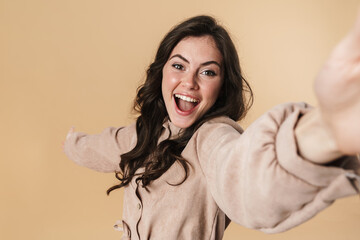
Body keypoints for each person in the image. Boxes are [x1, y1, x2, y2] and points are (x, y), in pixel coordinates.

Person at [63, 14, 360, 240]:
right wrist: (70, 142)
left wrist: (324, 132)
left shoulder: (214, 137)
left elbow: (249, 183)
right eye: (179, 65)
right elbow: (102, 146)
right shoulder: (147, 132)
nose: (189, 82)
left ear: (222, 86)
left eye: (207, 72)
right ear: (161, 72)